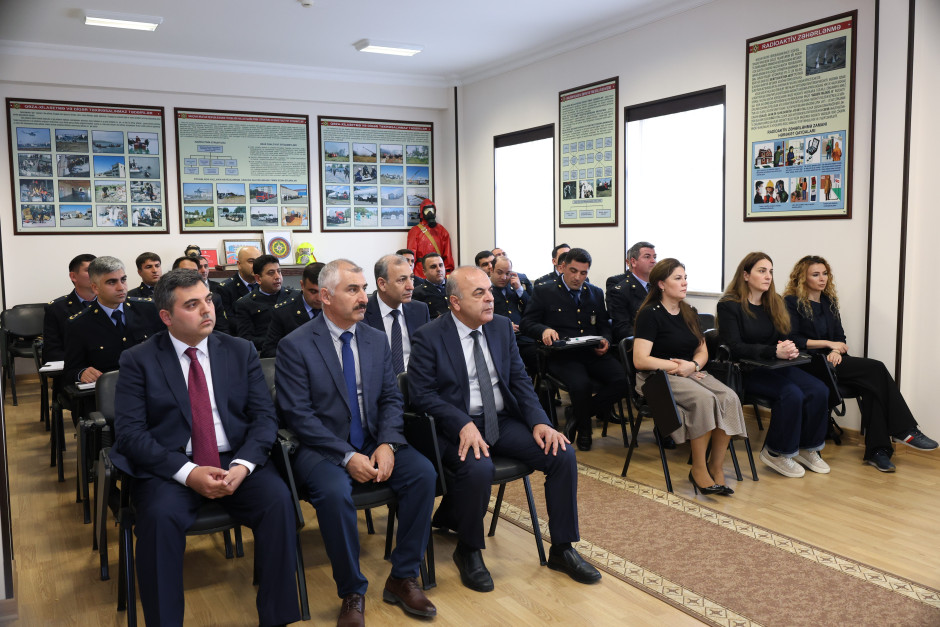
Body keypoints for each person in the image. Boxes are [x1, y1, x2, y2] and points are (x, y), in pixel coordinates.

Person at [108, 269, 300, 627]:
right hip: (172, 465)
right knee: (158, 520)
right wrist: (189, 473)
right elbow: (131, 435)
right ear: (166, 316)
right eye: (192, 305)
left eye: (208, 300)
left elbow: (264, 418)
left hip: (235, 459)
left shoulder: (239, 350)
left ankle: (277, 619)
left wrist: (244, 465)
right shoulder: (138, 359)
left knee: (278, 502)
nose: (207, 310)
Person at [408, 266, 601, 592]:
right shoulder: (429, 336)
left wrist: (541, 422)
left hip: (501, 420)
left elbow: (520, 381)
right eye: (479, 293)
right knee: (478, 468)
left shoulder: (499, 327)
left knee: (561, 454)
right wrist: (462, 423)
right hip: (454, 426)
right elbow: (421, 395)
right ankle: (468, 549)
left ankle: (562, 548)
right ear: (455, 302)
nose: (490, 298)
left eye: (489, 291)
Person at [275, 260, 438, 626]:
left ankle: (402, 576)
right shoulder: (295, 345)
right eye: (353, 290)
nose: (364, 297)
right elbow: (298, 416)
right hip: (321, 448)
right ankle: (351, 591)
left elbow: (391, 399)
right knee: (334, 493)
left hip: (374, 441)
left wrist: (389, 442)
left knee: (423, 474)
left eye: (364, 289)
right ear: (325, 296)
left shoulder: (375, 339)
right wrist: (347, 455)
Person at [784, 255, 938, 472]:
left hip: (834, 360)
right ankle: (904, 430)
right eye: (815, 275)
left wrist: (836, 350)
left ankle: (878, 452)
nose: (822, 278)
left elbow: (840, 337)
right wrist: (829, 344)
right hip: (810, 363)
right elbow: (793, 339)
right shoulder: (791, 302)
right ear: (803, 278)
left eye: (825, 273)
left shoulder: (828, 302)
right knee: (876, 368)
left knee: (872, 387)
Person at [633, 259, 746, 495]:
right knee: (704, 400)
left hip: (689, 371)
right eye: (678, 278)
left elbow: (702, 351)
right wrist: (678, 367)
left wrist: (692, 365)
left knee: (729, 398)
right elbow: (640, 360)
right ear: (661, 284)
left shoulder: (689, 312)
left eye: (685, 278)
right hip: (656, 377)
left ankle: (716, 467)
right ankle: (698, 469)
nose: (684, 283)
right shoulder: (649, 314)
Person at [716, 252, 830, 478]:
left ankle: (807, 448)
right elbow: (734, 346)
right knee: (791, 393)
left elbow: (782, 336)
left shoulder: (774, 301)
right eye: (762, 271)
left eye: (770, 271)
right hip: (746, 371)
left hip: (775, 366)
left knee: (819, 389)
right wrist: (773, 351)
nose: (768, 276)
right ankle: (776, 452)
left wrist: (788, 347)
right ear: (746, 275)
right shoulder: (729, 305)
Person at [520, 247, 628, 451]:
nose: (578, 277)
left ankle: (577, 417)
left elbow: (604, 325)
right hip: (562, 355)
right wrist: (544, 330)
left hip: (590, 352)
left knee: (623, 380)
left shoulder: (595, 293)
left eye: (583, 273)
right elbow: (527, 323)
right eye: (573, 271)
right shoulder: (544, 291)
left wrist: (605, 339)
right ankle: (585, 432)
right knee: (581, 385)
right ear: (562, 268)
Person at [63, 256, 163, 384]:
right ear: (95, 288)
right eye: (111, 282)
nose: (121, 287)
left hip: (151, 383)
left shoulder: (149, 309)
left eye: (123, 280)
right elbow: (70, 370)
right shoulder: (79, 324)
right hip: (110, 389)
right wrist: (81, 373)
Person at [363, 254, 430, 373]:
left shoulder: (420, 310)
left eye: (411, 278)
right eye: (402, 280)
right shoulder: (361, 313)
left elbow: (428, 355)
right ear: (382, 284)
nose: (411, 286)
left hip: (415, 380)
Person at [261, 262, 325, 358]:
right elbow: (268, 352)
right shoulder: (283, 313)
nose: (319, 298)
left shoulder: (338, 309)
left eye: (323, 292)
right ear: (302, 285)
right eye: (313, 291)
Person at [43, 253, 96, 362]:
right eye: (89, 270)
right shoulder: (56, 309)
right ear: (73, 276)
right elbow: (52, 351)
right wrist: (80, 368)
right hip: (74, 367)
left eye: (98, 270)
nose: (95, 274)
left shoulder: (111, 303)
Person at [234, 255, 294, 351]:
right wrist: (277, 342)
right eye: (271, 273)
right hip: (266, 354)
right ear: (258, 279)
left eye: (279, 271)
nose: (277, 277)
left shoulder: (294, 297)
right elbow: (246, 339)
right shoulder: (245, 303)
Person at [489, 256, 537, 373]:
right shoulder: (486, 290)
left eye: (508, 273)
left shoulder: (514, 288)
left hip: (522, 337)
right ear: (491, 270)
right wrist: (504, 325)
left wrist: (519, 289)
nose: (504, 277)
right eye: (499, 272)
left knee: (539, 358)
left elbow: (531, 310)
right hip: (499, 339)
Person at [608, 241, 657, 342]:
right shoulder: (621, 290)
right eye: (647, 257)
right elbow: (622, 329)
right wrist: (653, 338)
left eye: (654, 257)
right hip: (640, 343)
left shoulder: (659, 286)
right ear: (633, 262)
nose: (653, 261)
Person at [172, 256, 231, 335]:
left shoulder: (214, 298)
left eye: (195, 272)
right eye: (186, 272)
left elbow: (223, 331)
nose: (192, 276)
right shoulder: (167, 299)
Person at [406, 199, 454, 279]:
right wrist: (410, 273)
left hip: (437, 269)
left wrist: (448, 273)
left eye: (431, 210)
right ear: (422, 212)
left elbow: (447, 255)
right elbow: (411, 255)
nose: (429, 213)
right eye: (427, 211)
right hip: (420, 271)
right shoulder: (415, 231)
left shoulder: (442, 231)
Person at [218, 245, 261, 328]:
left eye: (258, 262)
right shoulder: (225, 289)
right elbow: (230, 321)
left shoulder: (265, 284)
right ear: (239, 264)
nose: (256, 265)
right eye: (251, 261)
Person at [411, 253, 449, 318]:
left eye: (441, 265)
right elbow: (418, 319)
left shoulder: (455, 286)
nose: (439, 269)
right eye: (433, 267)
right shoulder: (418, 293)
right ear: (424, 272)